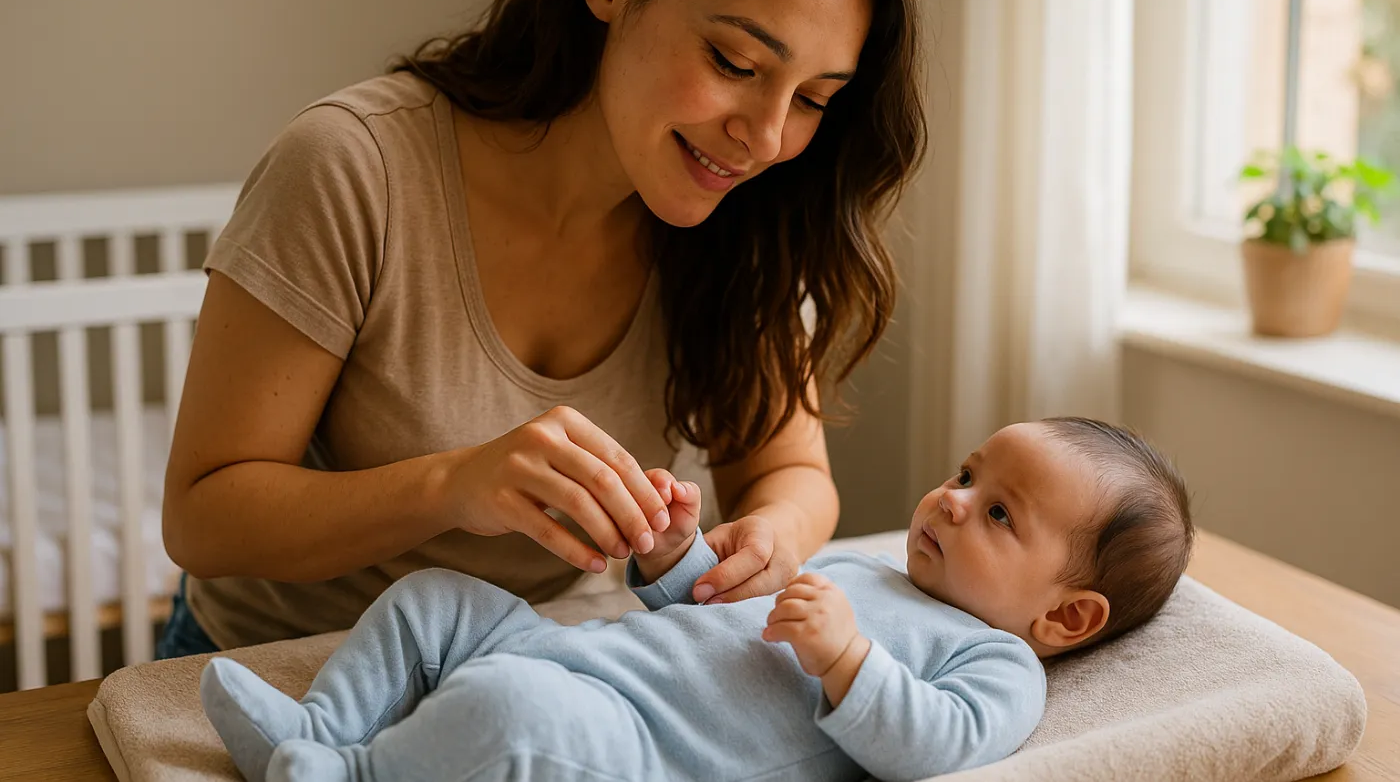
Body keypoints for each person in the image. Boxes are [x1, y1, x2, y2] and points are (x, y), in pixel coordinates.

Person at [157, 0, 926, 659]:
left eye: (813, 99)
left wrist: (770, 536)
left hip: (539, 667)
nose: (767, 138)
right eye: (734, 62)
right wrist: (452, 486)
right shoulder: (354, 168)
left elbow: (794, 474)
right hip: (285, 665)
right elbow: (204, 518)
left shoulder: (749, 217)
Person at [200, 418, 1195, 782]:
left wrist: (848, 661)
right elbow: (704, 619)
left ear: (1064, 617)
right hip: (568, 647)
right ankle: (321, 728)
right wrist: (675, 555)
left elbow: (928, 746)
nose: (950, 498)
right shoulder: (867, 571)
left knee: (512, 722)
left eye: (998, 514)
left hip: (628, 740)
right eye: (966, 473)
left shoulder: (998, 665)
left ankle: (355, 776)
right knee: (431, 598)